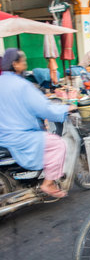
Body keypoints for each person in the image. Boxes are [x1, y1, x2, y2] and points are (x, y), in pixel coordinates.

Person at [0, 48, 76, 198]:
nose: (26, 65)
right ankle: (48, 183)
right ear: (15, 64)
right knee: (57, 144)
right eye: (24, 62)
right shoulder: (22, 85)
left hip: (4, 136)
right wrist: (66, 108)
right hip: (20, 136)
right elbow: (43, 108)